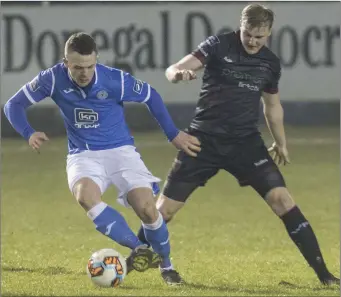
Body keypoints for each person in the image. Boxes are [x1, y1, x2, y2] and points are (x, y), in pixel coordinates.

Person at [137, 4, 339, 286]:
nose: (253, 42)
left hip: (246, 144)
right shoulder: (219, 45)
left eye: (260, 37)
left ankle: (326, 276)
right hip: (202, 141)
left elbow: (272, 106)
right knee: (163, 212)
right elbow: (175, 68)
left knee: (283, 200)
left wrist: (281, 143)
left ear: (269, 33)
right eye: (248, 35)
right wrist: (179, 75)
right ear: (240, 27)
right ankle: (130, 260)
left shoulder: (269, 63)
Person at [4, 32, 200, 285]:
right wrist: (28, 132)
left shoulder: (114, 80)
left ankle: (167, 267)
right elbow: (13, 105)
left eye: (89, 66)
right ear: (66, 63)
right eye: (77, 68)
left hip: (121, 152)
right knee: (85, 197)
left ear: (96, 60)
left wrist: (173, 133)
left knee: (148, 209)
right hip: (83, 154)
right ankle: (139, 248)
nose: (84, 73)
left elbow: (150, 95)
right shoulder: (52, 79)